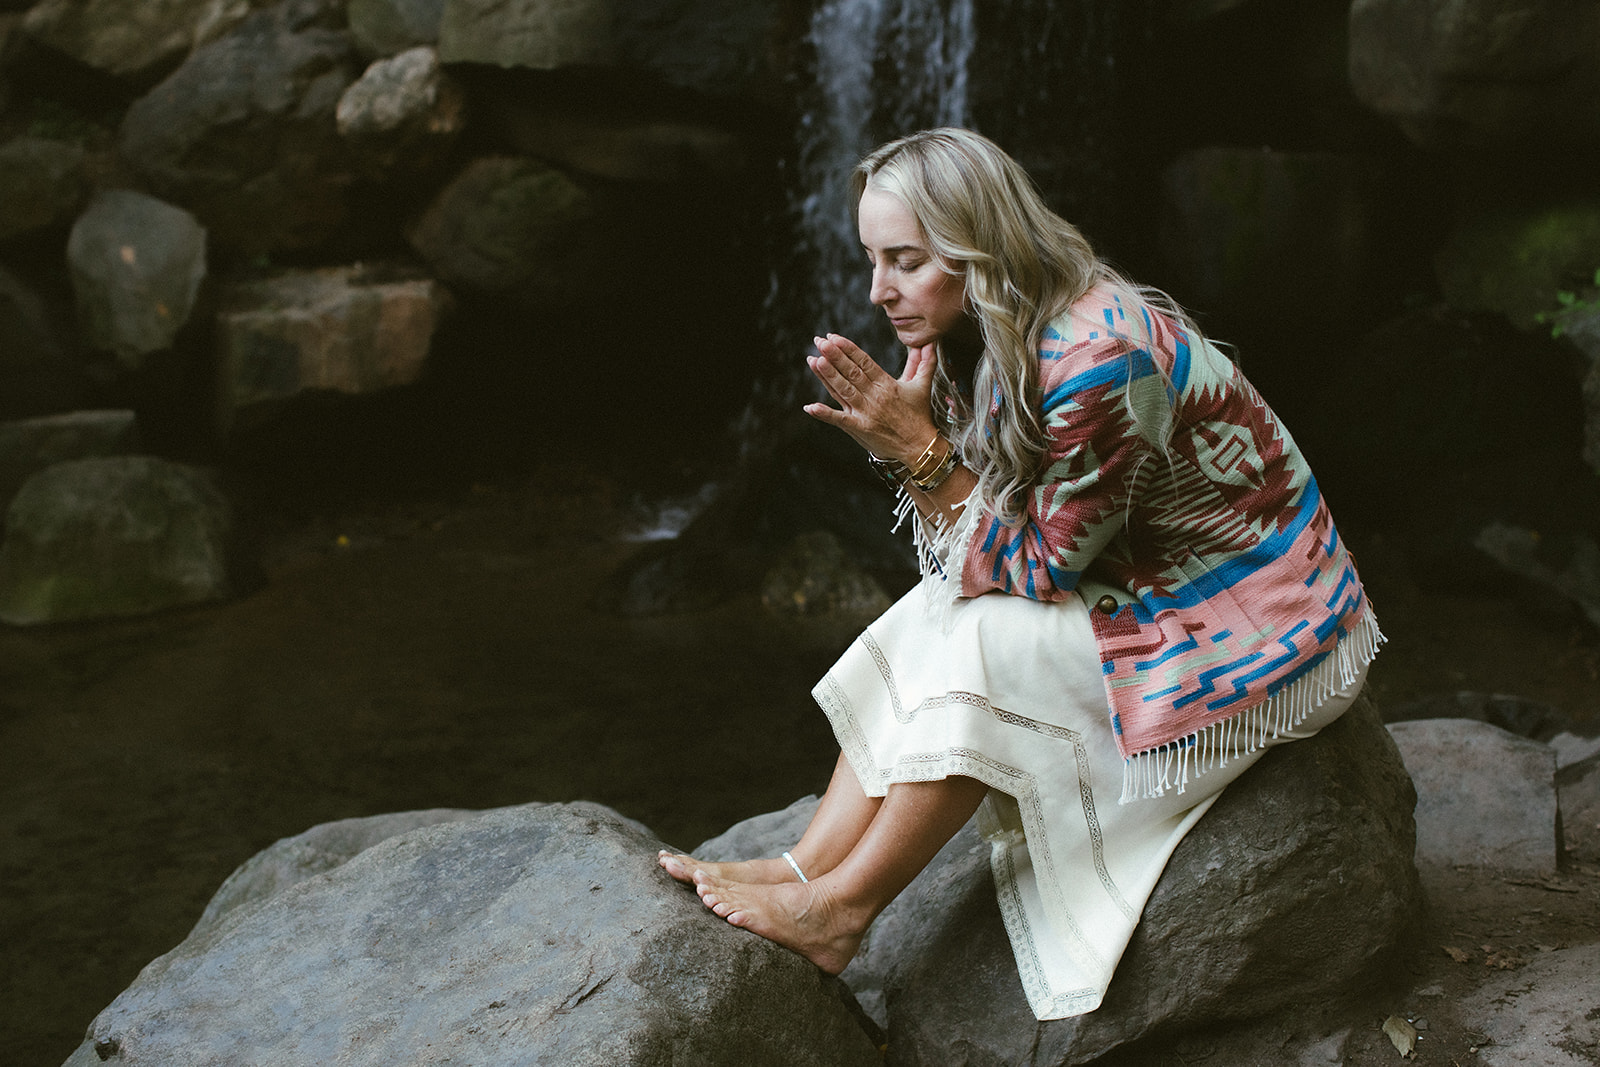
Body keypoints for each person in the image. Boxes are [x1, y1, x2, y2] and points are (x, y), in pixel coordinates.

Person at [658, 127, 1382, 1020]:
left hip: (1272, 631)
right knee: (938, 612)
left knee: (986, 644)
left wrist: (917, 450)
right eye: (873, 258)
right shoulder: (999, 325)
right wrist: (929, 446)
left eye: (906, 261)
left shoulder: (1098, 359)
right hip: (1152, 580)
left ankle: (839, 912)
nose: (878, 289)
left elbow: (1035, 563)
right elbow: (978, 551)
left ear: (977, 248)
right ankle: (806, 864)